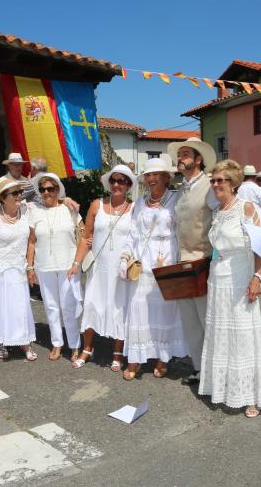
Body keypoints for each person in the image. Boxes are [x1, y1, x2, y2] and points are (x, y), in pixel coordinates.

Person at [199, 159, 261, 417]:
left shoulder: (246, 208)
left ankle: (252, 396)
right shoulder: (218, 211)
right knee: (222, 334)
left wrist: (257, 277)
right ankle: (223, 389)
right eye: (213, 180)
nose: (216, 184)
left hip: (241, 277)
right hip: (217, 278)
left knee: (243, 336)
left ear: (234, 184)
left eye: (222, 180)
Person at [119, 157, 188, 380]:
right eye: (148, 175)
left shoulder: (177, 200)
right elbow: (132, 234)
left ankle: (162, 358)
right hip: (142, 264)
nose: (150, 179)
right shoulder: (139, 204)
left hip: (167, 261)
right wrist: (125, 257)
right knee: (139, 311)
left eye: (155, 174)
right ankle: (135, 360)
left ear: (166, 177)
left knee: (165, 312)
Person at [69, 165, 136, 370]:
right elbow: (86, 237)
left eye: (122, 181)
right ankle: (87, 348)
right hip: (99, 266)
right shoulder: (97, 205)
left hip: (120, 268)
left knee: (119, 307)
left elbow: (137, 240)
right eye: (113, 180)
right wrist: (76, 263)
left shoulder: (134, 208)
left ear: (128, 185)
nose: (116, 184)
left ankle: (117, 351)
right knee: (92, 303)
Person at [167, 136, 218, 386]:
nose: (181, 157)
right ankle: (199, 369)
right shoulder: (182, 189)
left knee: (207, 319)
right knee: (190, 322)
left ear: (198, 160)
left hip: (202, 262)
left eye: (186, 154)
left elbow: (224, 214)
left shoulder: (209, 186)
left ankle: (215, 371)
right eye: (180, 154)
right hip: (182, 263)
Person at [0, 178, 38, 360]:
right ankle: (0, 342)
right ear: (3, 197)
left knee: (19, 307)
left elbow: (51, 201)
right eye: (15, 193)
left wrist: (30, 266)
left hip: (17, 267)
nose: (20, 196)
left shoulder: (27, 211)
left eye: (20, 192)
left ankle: (24, 342)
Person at [26, 173, 84, 361]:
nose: (47, 192)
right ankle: (57, 343)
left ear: (58, 189)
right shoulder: (33, 209)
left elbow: (83, 235)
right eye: (43, 189)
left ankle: (75, 344)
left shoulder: (69, 208)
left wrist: (78, 262)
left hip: (69, 265)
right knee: (51, 306)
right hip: (44, 265)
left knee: (69, 306)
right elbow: (32, 241)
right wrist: (30, 267)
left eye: (51, 188)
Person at [238, 165, 261, 229]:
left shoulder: (237, 189)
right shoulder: (259, 190)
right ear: (255, 177)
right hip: (257, 224)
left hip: (240, 224)